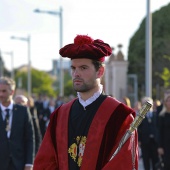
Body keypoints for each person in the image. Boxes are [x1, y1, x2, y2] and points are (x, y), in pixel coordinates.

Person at [33, 34, 138, 170]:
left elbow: (123, 164)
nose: (76, 73)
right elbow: (46, 162)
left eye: (83, 68)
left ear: (100, 71)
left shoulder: (119, 116)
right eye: (73, 68)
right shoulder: (60, 115)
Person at [0, 77, 35, 170]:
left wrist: (29, 163)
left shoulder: (23, 111)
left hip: (19, 163)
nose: (1, 94)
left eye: (4, 91)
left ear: (12, 92)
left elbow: (29, 138)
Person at [138, 97, 159, 170]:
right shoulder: (140, 116)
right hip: (145, 142)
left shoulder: (156, 115)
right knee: (146, 162)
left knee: (155, 162)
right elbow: (138, 129)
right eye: (145, 103)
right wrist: (139, 140)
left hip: (154, 142)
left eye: (148, 103)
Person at [157, 93, 170, 170]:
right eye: (168, 100)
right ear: (165, 103)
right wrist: (159, 146)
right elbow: (159, 131)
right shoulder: (162, 115)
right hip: (166, 145)